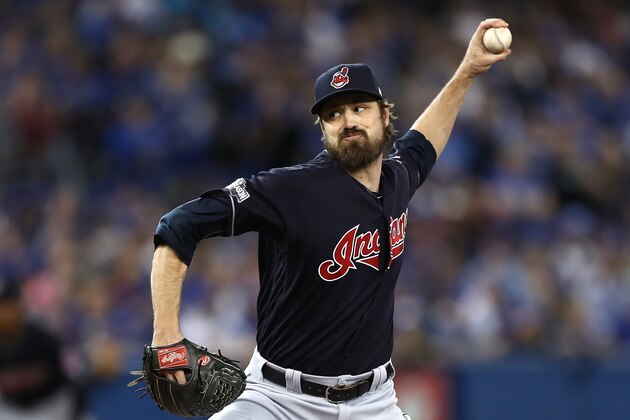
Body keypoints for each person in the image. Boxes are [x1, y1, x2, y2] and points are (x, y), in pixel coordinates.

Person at [149, 18, 511, 419]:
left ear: (384, 117)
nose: (349, 121)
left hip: (375, 402)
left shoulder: (398, 177)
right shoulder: (289, 190)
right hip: (277, 400)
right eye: (334, 114)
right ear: (322, 129)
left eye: (359, 108)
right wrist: (166, 335)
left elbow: (426, 141)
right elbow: (178, 225)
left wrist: (467, 72)